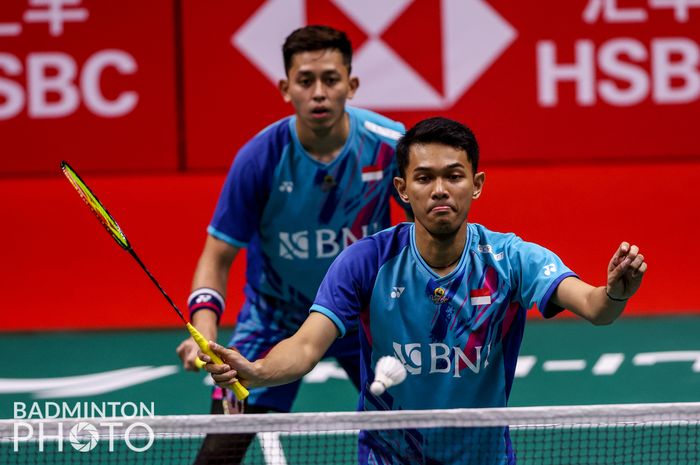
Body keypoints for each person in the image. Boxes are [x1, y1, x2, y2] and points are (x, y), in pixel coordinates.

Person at [200, 116, 647, 464]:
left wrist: (615, 294)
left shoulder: (509, 259)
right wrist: (257, 371)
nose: (440, 190)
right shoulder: (367, 261)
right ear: (402, 189)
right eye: (424, 178)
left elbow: (594, 308)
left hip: (483, 458)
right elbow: (305, 347)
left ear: (477, 185)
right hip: (389, 456)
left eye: (454, 176)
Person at [176, 24, 409, 463]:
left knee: (416, 435)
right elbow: (217, 254)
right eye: (306, 81)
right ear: (286, 88)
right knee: (218, 453)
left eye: (331, 79)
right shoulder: (260, 157)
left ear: (351, 85)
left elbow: (428, 237)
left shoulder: (390, 146)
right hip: (275, 318)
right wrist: (204, 332)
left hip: (366, 317)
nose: (319, 92)